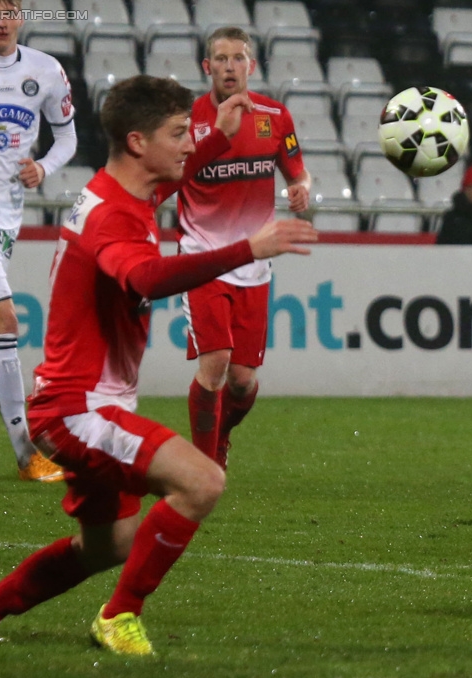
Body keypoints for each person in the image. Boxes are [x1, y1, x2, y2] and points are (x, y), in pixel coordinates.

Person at [0, 74, 317, 655]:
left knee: (109, 545)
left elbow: (184, 177)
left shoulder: (128, 191)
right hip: (78, 410)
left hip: (82, 405)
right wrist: (250, 247)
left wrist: (219, 139)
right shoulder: (114, 216)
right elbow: (145, 276)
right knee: (202, 482)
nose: (189, 144)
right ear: (139, 142)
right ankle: (119, 615)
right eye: (179, 134)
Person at [0, 0, 77, 482]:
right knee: (5, 319)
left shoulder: (45, 71)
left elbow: (67, 138)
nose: (1, 20)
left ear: (20, 15)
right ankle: (28, 455)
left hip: (5, 216)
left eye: (9, 10)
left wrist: (43, 166)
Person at [180, 26, 312, 470]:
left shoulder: (275, 116)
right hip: (201, 258)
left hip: (254, 265)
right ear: (207, 67)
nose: (230, 66)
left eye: (238, 58)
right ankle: (202, 468)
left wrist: (301, 189)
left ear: (251, 66)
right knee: (215, 362)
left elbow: (298, 173)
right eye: (221, 58)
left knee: (242, 381)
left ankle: (220, 439)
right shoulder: (186, 121)